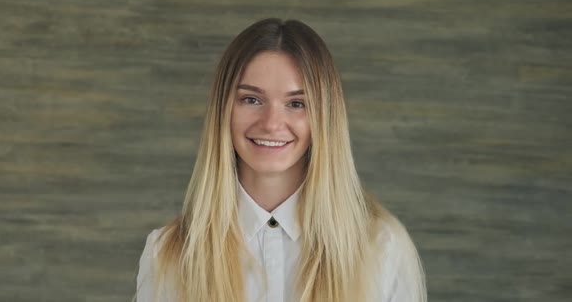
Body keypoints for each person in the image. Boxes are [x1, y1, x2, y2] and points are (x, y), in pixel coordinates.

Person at [136, 18, 427, 302]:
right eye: (252, 99)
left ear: (324, 118)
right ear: (223, 109)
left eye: (296, 104)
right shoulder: (166, 255)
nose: (272, 123)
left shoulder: (383, 248)